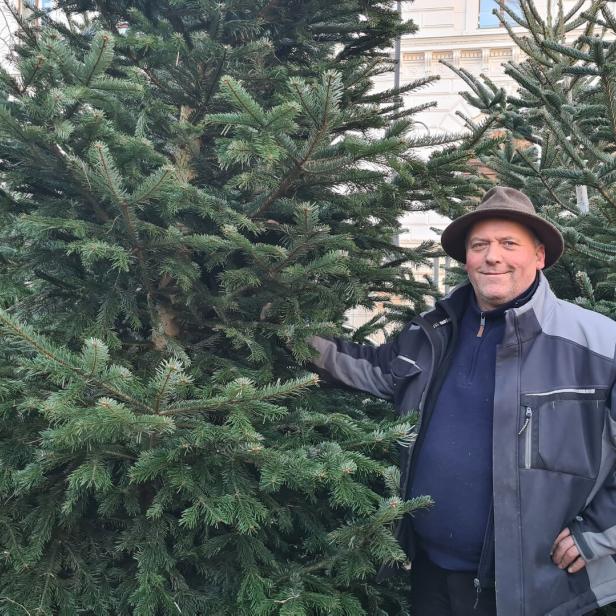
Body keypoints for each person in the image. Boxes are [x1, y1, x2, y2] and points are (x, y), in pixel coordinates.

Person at [309, 187, 616, 616]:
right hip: (432, 573)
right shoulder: (433, 334)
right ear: (466, 258)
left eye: (509, 244)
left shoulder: (599, 344)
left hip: (536, 587)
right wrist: (290, 337)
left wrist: (600, 531)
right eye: (480, 245)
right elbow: (373, 368)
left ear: (539, 255)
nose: (493, 256)